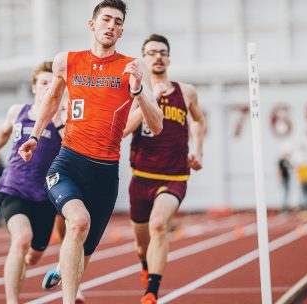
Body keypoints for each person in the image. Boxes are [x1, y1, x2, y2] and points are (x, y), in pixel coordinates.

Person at [18, 1, 163, 303]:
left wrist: (137, 90)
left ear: (122, 31)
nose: (111, 26)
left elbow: (157, 124)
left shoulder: (132, 68)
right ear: (92, 25)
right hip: (68, 163)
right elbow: (51, 99)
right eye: (106, 19)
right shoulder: (66, 61)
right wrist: (33, 135)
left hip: (105, 172)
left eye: (118, 22)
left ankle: (65, 266)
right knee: (78, 223)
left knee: (84, 248)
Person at [123, 34, 206, 304]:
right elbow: (123, 130)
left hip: (174, 176)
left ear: (168, 58)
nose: (157, 56)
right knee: (141, 244)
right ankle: (146, 267)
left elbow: (198, 120)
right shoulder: (134, 90)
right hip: (141, 177)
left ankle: (152, 293)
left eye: (162, 52)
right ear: (143, 59)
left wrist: (198, 151)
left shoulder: (187, 91)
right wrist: (148, 100)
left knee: (159, 224)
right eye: (151, 52)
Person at [0, 61, 65, 304]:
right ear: (34, 87)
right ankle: (12, 300)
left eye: (54, 83)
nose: (49, 87)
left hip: (45, 196)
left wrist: (58, 121)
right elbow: (3, 132)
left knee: (34, 255)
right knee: (21, 239)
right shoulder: (18, 111)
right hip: (14, 187)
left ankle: (24, 261)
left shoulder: (64, 116)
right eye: (44, 83)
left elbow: (72, 145)